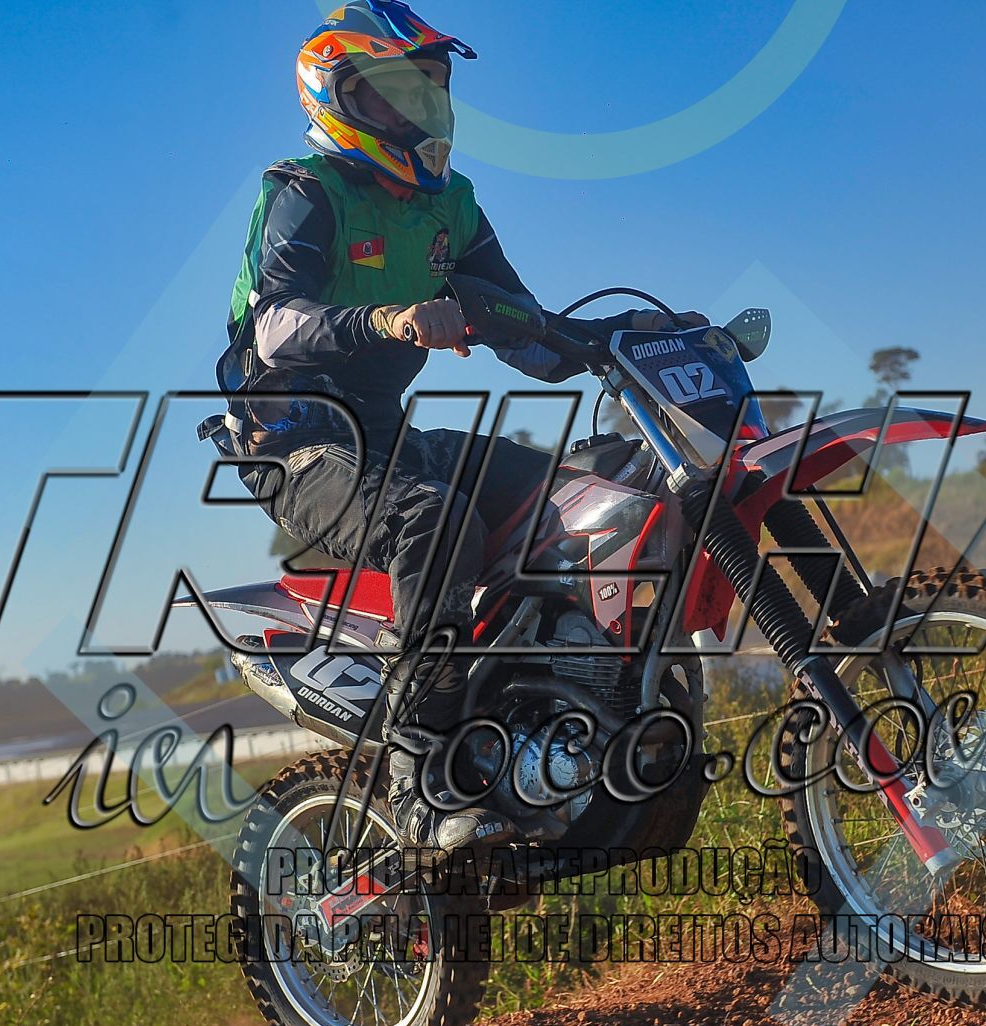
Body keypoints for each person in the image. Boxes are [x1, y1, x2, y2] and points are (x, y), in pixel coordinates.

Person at [210, 0, 693, 856]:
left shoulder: (452, 205)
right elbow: (275, 326)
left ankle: (550, 706)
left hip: (387, 433)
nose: (415, 114)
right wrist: (389, 319)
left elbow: (525, 331)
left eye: (425, 93)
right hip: (296, 442)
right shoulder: (305, 191)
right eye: (391, 95)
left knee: (582, 495)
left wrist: (626, 338)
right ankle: (422, 781)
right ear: (337, 96)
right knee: (433, 522)